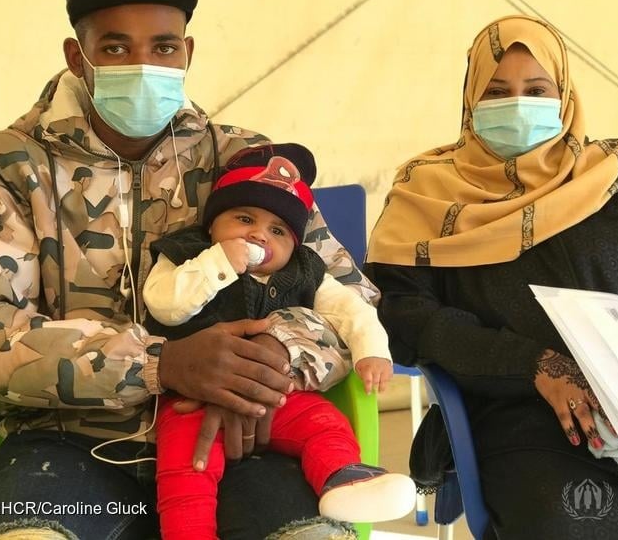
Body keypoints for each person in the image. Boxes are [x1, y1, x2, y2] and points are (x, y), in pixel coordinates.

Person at [0, 0, 379, 540]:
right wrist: (160, 364)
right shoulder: (12, 164)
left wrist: (266, 361)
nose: (143, 64)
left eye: (164, 47)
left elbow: (349, 300)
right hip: (67, 441)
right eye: (116, 47)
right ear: (77, 56)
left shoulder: (245, 159)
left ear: (187, 52)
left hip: (241, 437)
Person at [364, 15, 618, 539]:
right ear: (470, 99)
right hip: (535, 421)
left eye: (537, 91)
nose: (517, 105)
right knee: (571, 521)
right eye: (496, 92)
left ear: (564, 95)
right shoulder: (428, 197)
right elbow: (407, 315)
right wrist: (532, 365)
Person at [142, 142, 415, 538]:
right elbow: (164, 305)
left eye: (277, 231)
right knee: (186, 470)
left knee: (324, 424)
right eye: (244, 219)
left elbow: (351, 310)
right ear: (213, 225)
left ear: (295, 244)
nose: (258, 234)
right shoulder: (187, 253)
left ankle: (345, 480)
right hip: (191, 399)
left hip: (278, 396)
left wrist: (372, 352)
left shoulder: (305, 271)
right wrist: (219, 262)